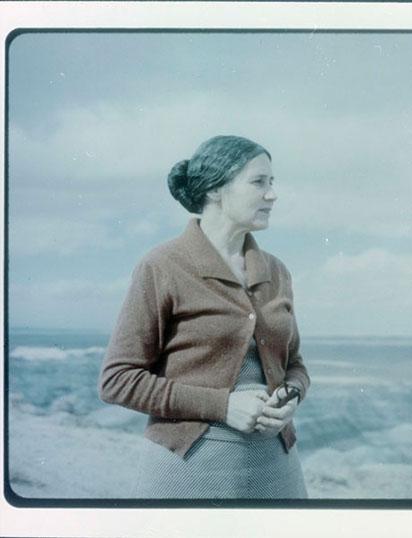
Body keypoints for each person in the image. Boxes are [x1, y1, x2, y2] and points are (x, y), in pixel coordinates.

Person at [98, 135, 310, 499]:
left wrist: (292, 394)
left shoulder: (277, 271)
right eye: (259, 182)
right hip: (188, 468)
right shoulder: (161, 266)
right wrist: (223, 406)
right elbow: (117, 380)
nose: (272, 195)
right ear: (215, 189)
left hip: (277, 468)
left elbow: (296, 366)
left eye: (272, 183)